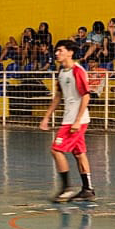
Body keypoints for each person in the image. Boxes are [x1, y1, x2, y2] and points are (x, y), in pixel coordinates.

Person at [40, 39, 96, 203]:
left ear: (70, 53)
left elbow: (86, 96)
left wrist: (78, 120)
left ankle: (66, 189)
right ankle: (88, 189)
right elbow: (59, 96)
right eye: (56, 51)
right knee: (79, 154)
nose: (57, 53)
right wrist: (47, 116)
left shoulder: (77, 71)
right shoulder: (62, 72)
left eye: (60, 50)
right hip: (68, 118)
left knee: (56, 150)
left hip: (75, 120)